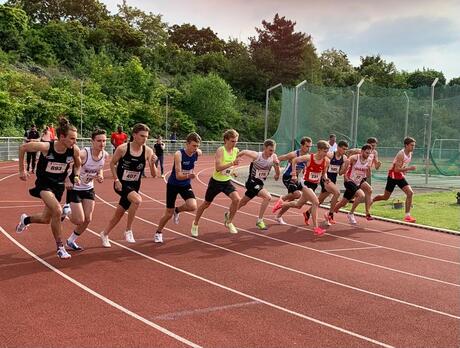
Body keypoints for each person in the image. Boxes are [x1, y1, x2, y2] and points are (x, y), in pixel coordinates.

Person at [16, 118, 81, 259]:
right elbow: (23, 148)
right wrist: (22, 170)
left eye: (76, 139)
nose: (75, 142)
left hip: (58, 186)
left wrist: (75, 176)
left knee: (46, 219)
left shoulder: (74, 150)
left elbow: (78, 164)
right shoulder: (47, 147)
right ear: (62, 137)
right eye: (72, 139)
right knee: (58, 210)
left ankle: (25, 220)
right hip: (44, 185)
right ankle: (60, 247)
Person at [100, 124, 157, 247]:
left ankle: (104, 234)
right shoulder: (122, 149)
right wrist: (116, 180)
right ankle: (128, 230)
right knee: (137, 200)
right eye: (142, 136)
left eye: (146, 137)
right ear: (134, 135)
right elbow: (112, 164)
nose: (144, 139)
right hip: (121, 184)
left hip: (135, 186)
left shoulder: (148, 151)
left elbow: (154, 175)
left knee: (119, 214)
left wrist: (152, 164)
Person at [63, 129, 109, 251]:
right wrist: (67, 180)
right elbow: (68, 165)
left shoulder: (104, 155)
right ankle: (66, 210)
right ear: (92, 141)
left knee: (88, 219)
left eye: (104, 141)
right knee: (79, 220)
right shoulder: (84, 154)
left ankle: (71, 240)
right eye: (99, 140)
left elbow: (100, 168)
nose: (102, 143)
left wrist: (100, 175)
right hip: (75, 188)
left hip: (89, 188)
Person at [191, 129, 241, 237]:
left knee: (237, 199)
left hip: (226, 181)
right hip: (216, 182)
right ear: (226, 140)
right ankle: (195, 224)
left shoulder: (236, 151)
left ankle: (229, 221)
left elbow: (231, 167)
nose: (234, 143)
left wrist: (233, 172)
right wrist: (232, 163)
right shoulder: (220, 150)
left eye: (236, 141)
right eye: (232, 141)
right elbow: (218, 168)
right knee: (206, 204)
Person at [154, 132, 202, 243]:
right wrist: (189, 175)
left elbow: (197, 154)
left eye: (197, 146)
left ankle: (178, 210)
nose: (196, 148)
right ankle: (158, 232)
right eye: (194, 145)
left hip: (185, 184)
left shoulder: (197, 153)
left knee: (192, 206)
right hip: (173, 185)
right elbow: (178, 175)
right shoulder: (178, 154)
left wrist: (189, 176)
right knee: (168, 213)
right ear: (187, 144)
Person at [275, 140, 330, 236]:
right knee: (316, 202)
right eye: (325, 151)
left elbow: (324, 173)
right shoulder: (309, 157)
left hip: (314, 185)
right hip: (305, 184)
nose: (326, 153)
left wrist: (326, 179)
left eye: (327, 151)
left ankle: (282, 204)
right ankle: (316, 227)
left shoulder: (326, 161)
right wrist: (293, 174)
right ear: (319, 150)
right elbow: (294, 160)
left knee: (298, 205)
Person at [235, 139, 280, 230]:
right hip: (251, 182)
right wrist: (236, 159)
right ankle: (260, 220)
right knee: (267, 197)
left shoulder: (273, 156)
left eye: (273, 150)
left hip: (260, 183)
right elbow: (243, 151)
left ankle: (229, 213)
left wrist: (277, 173)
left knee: (243, 202)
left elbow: (277, 169)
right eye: (270, 150)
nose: (272, 152)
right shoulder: (257, 155)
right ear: (265, 148)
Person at [372, 137, 417, 223]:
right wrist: (409, 168)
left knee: (410, 193)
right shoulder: (401, 154)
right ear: (406, 145)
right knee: (385, 197)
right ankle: (372, 200)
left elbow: (402, 167)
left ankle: (407, 216)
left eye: (414, 145)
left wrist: (405, 170)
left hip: (400, 176)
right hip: (393, 176)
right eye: (412, 145)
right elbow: (396, 169)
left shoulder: (410, 154)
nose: (413, 147)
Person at [272, 136, 312, 223]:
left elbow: (305, 168)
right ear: (301, 146)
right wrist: (277, 173)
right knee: (297, 194)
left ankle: (278, 216)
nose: (308, 148)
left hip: (295, 179)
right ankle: (282, 198)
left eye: (310, 147)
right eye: (307, 146)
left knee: (292, 200)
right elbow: (277, 159)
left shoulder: (307, 157)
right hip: (287, 177)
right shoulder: (294, 154)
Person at [333, 144, 374, 224]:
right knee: (361, 195)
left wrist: (368, 168)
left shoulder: (369, 160)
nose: (368, 155)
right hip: (349, 181)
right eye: (366, 153)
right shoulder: (354, 158)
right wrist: (345, 175)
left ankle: (329, 213)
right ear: (362, 151)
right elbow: (344, 170)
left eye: (369, 153)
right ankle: (351, 213)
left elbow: (368, 175)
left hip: (358, 181)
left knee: (343, 202)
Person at [315, 140, 349, 225]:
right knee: (337, 193)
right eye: (343, 149)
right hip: (325, 179)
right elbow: (320, 157)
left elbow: (340, 173)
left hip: (333, 181)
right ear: (338, 147)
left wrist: (345, 167)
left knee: (319, 201)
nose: (344, 151)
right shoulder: (330, 155)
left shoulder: (344, 158)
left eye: (346, 149)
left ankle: (307, 213)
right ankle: (330, 214)